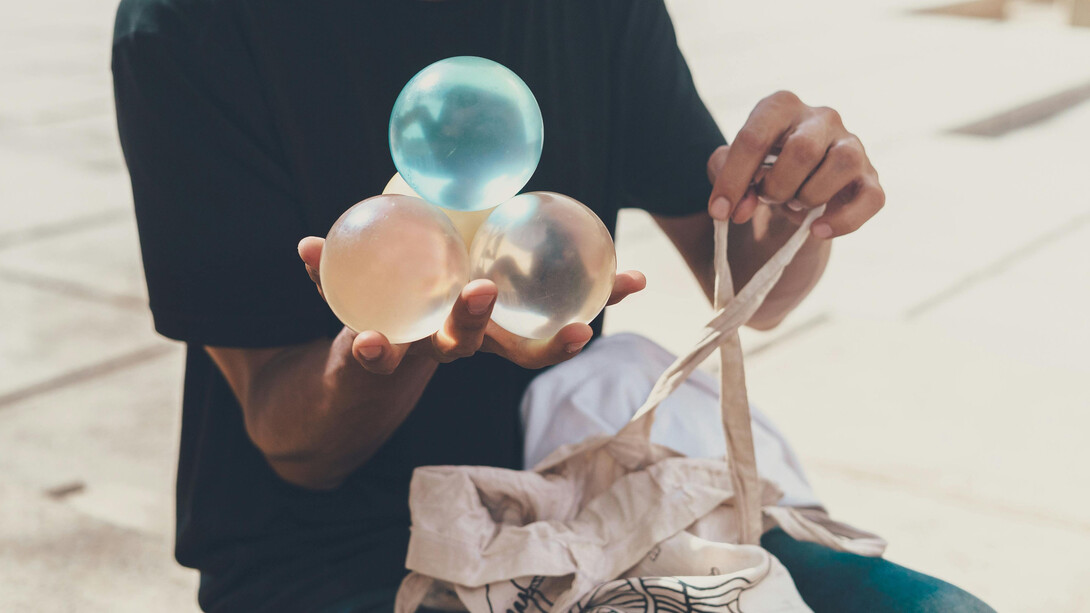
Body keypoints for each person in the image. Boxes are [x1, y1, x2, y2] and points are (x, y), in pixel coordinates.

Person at [111, 0, 993, 611]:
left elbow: (749, 285)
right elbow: (294, 445)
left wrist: (797, 209)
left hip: (576, 493)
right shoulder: (191, 25)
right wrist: (402, 348)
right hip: (331, 556)